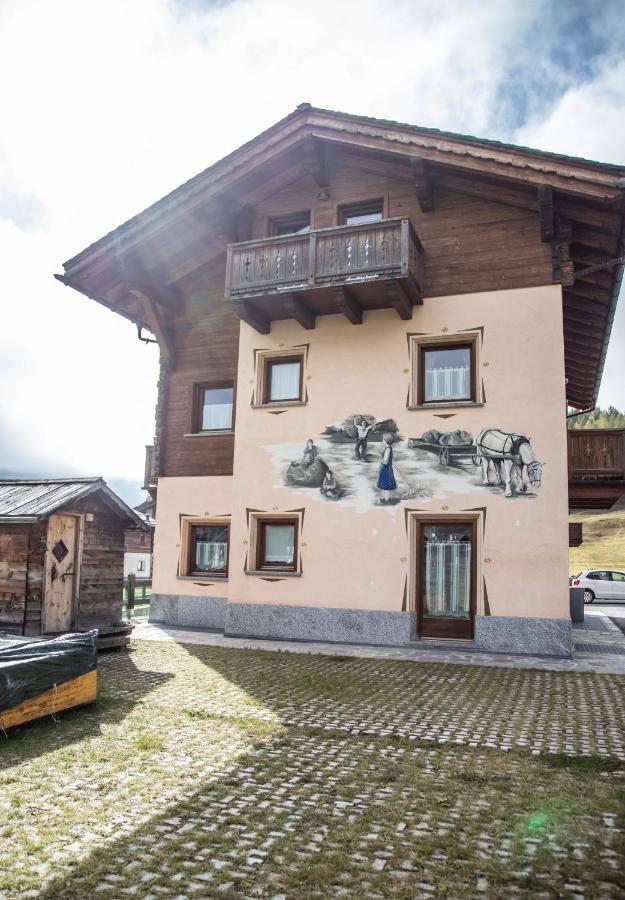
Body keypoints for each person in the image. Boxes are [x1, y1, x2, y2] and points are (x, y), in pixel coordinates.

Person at [377, 433, 397, 503]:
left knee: (386, 487)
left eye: (383, 439)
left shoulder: (388, 449)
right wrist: (382, 454)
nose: (382, 440)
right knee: (385, 487)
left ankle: (387, 500)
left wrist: (381, 457)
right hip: (387, 469)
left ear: (385, 440)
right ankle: (385, 499)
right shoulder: (388, 448)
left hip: (386, 470)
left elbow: (385, 461)